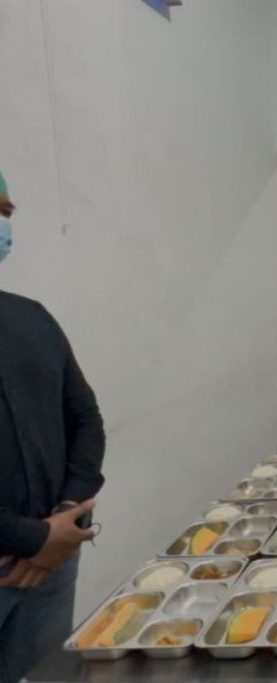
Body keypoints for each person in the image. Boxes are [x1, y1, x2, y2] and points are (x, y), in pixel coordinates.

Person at [0, 169, 106, 683]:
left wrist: (66, 519)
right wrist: (35, 536)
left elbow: (85, 419)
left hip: (53, 563)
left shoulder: (32, 319)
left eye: (3, 214)